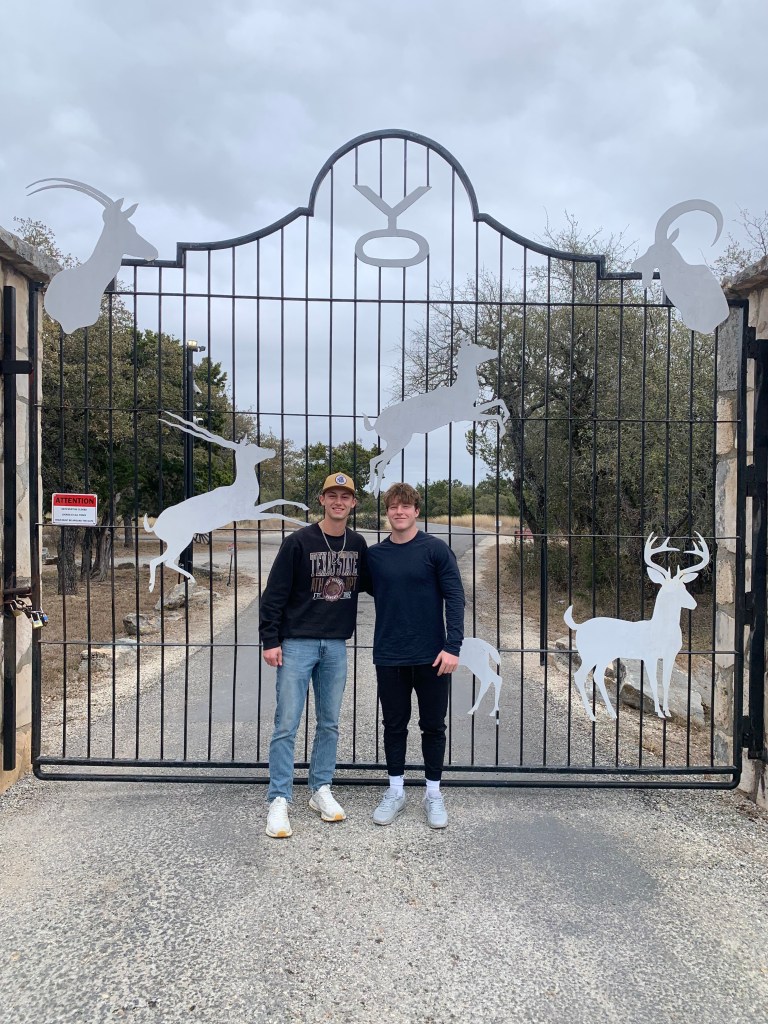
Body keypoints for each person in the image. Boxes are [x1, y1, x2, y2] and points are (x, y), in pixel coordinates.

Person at [259, 472, 368, 839]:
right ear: (321, 500)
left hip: (336, 644)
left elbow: (378, 582)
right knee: (287, 722)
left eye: (346, 496)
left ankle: (320, 789)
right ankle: (279, 799)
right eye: (332, 495)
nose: (339, 501)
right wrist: (269, 640)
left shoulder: (357, 544)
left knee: (329, 722)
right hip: (296, 643)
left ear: (353, 503)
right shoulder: (299, 542)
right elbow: (274, 594)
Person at [366, 482, 465, 829]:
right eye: (393, 506)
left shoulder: (436, 550)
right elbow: (347, 589)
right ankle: (396, 790)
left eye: (405, 506)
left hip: (433, 656)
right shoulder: (375, 556)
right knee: (393, 725)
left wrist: (453, 647)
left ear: (416, 511)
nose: (399, 512)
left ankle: (433, 793)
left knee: (433, 726)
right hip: (390, 654)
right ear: (387, 512)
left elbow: (455, 598)